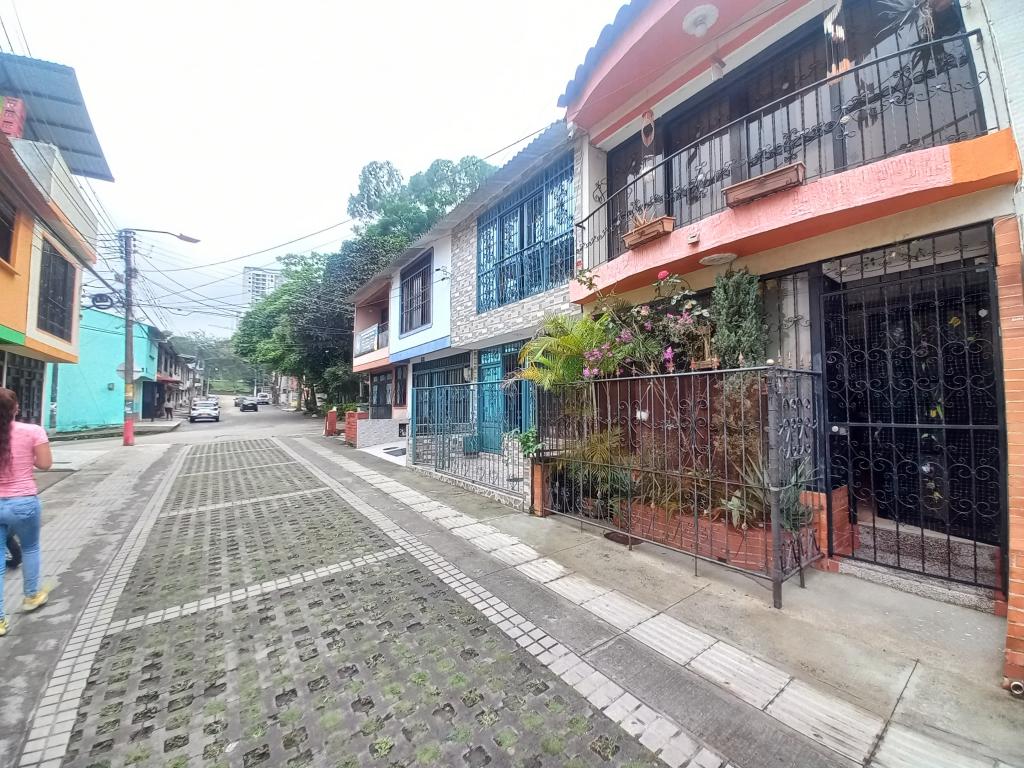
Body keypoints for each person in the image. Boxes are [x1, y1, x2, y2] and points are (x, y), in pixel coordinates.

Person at [0, 387, 52, 636]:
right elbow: (45, 464)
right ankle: (31, 596)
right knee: (30, 548)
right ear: (16, 408)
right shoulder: (33, 431)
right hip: (23, 502)